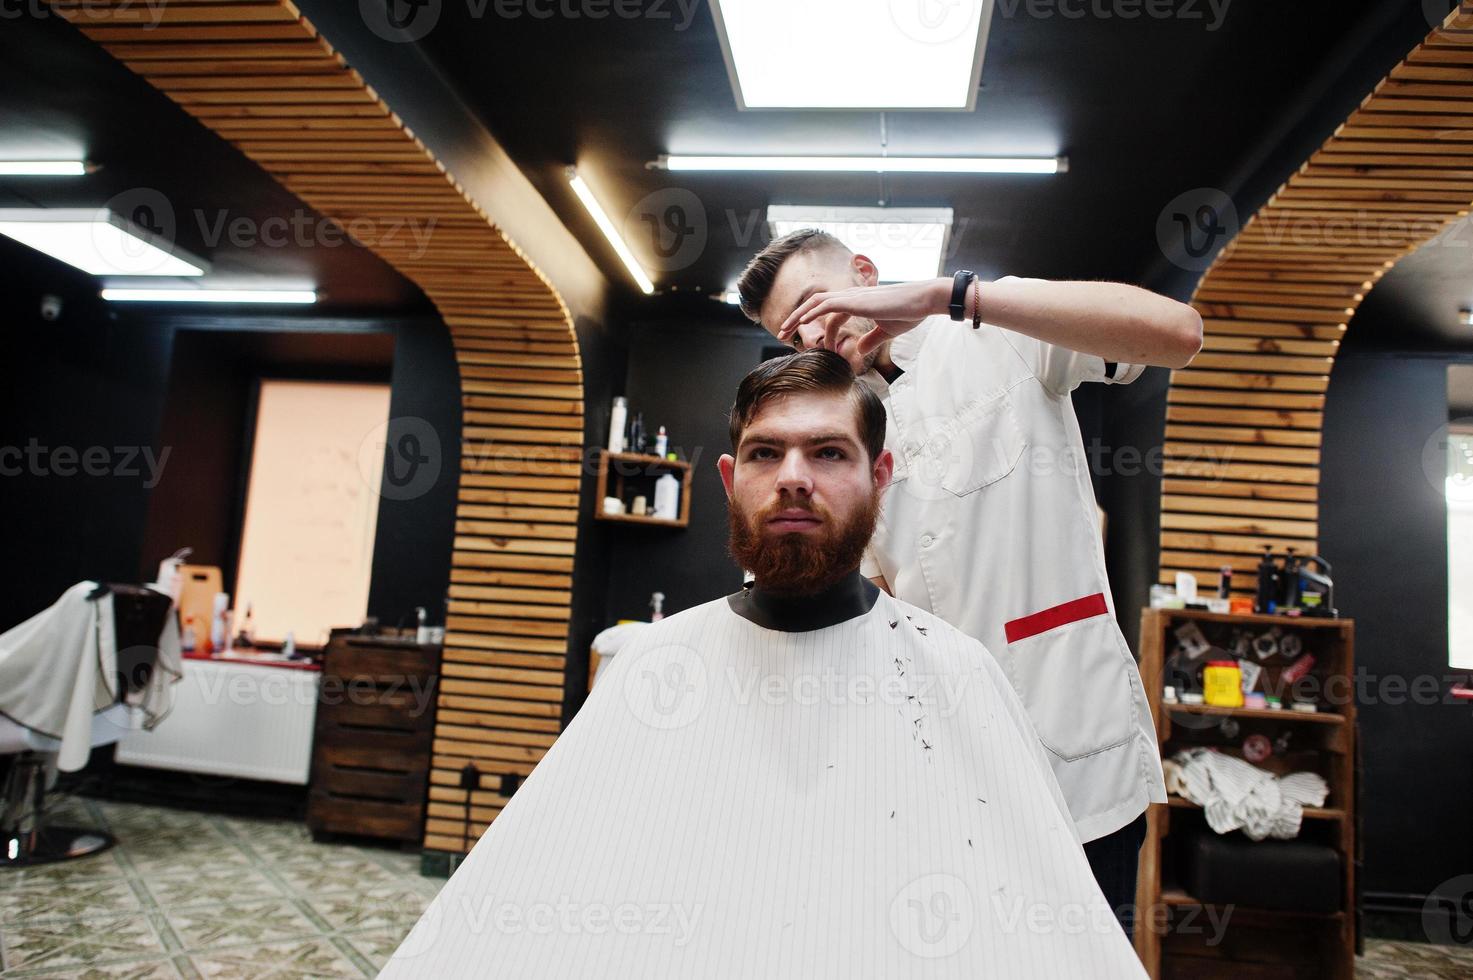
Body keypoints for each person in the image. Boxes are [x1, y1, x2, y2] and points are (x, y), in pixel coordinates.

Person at [380, 351, 1144, 978]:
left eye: (828, 452)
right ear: (729, 479)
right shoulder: (656, 668)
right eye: (765, 452)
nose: (792, 475)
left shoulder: (956, 673)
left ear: (880, 480)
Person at [736, 230, 1205, 931]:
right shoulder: (849, 437)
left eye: (815, 303)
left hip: (1072, 747)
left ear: (864, 275)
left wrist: (945, 297)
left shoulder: (996, 334)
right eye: (791, 331)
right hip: (943, 766)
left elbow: (1176, 333)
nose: (812, 334)